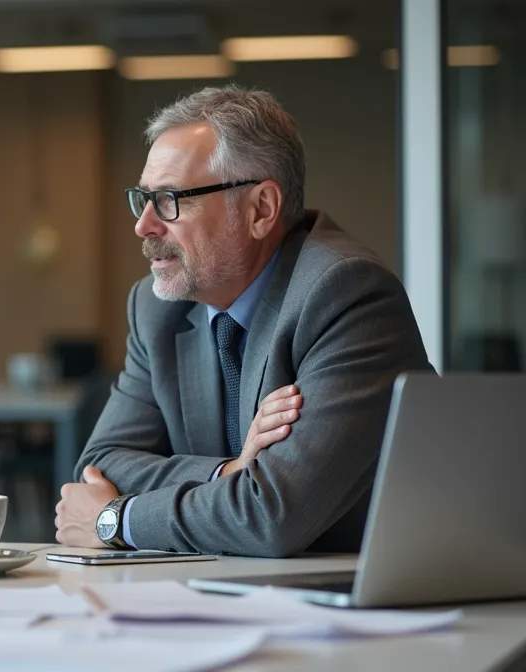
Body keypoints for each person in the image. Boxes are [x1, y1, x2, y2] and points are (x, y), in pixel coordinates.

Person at [54, 85, 432, 558]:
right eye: (144, 198)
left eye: (170, 199)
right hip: (218, 594)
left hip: (354, 603)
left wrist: (116, 519)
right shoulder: (158, 310)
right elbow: (100, 465)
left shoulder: (346, 294)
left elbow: (272, 515)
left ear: (261, 210)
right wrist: (229, 472)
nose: (144, 225)